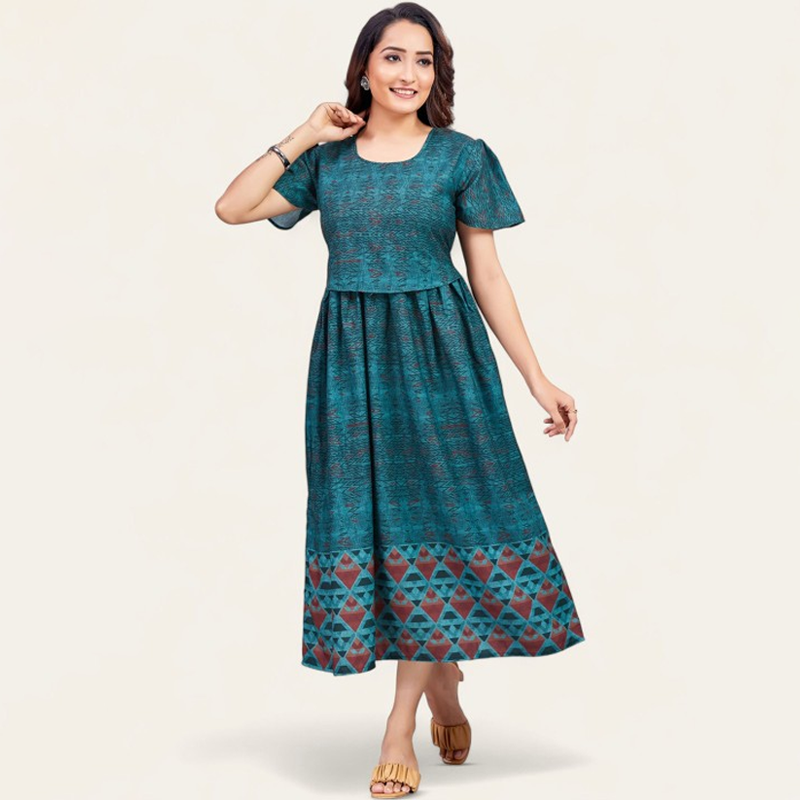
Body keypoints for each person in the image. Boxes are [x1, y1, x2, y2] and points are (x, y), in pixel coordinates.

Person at [215, 3, 586, 796]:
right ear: (364, 67)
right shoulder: (328, 162)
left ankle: (398, 725)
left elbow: (489, 276)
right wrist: (303, 133)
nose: (409, 74)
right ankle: (442, 678)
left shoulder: (461, 157)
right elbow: (232, 207)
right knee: (374, 525)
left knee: (437, 521)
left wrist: (537, 376)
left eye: (425, 61)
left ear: (437, 75)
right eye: (393, 57)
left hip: (443, 360)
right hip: (351, 367)